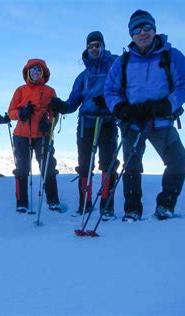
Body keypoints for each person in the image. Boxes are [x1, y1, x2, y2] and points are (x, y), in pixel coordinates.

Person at [104, 9, 185, 221]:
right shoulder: (123, 62)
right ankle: (132, 210)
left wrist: (167, 104)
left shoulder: (171, 55)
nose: (142, 33)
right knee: (131, 167)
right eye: (136, 29)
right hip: (132, 123)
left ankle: (165, 205)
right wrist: (120, 108)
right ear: (131, 35)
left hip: (161, 121)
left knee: (178, 161)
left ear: (154, 29)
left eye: (146, 27)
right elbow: (110, 90)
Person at [50, 31, 119, 219]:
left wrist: (109, 102)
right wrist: (62, 107)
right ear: (87, 48)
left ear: (103, 46)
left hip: (107, 121)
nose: (94, 48)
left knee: (108, 163)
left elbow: (120, 90)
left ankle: (106, 206)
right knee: (85, 164)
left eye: (97, 45)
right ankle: (84, 205)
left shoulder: (114, 67)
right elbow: (73, 101)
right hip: (86, 122)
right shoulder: (83, 76)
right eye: (91, 46)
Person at [7, 59, 61, 213]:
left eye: (38, 70)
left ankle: (53, 200)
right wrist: (21, 113)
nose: (36, 72)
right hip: (22, 135)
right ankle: (21, 202)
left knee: (48, 166)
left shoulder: (50, 91)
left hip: (43, 134)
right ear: (28, 72)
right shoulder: (20, 91)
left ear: (43, 72)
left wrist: (49, 124)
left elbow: (55, 113)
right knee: (22, 168)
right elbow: (11, 112)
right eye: (33, 70)